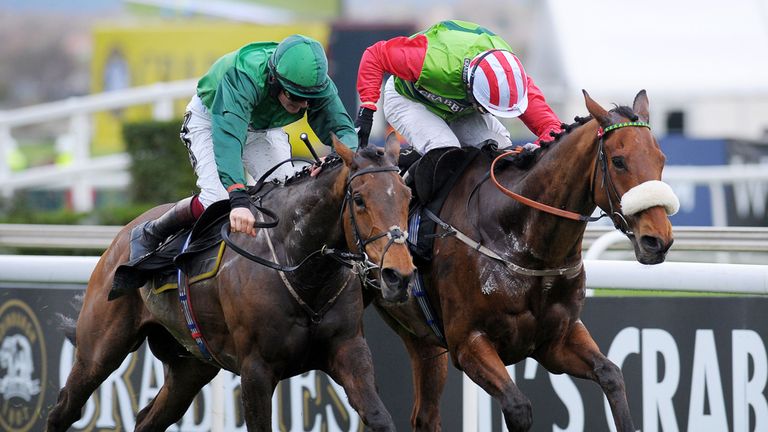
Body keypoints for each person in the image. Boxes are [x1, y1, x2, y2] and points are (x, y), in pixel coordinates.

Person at [129, 34, 357, 259]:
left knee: (290, 200)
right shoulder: (243, 76)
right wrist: (238, 199)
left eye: (310, 99)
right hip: (213, 120)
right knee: (218, 200)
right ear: (274, 81)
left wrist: (337, 157)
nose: (305, 105)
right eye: (296, 98)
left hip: (261, 129)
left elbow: (344, 131)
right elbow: (228, 139)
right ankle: (154, 231)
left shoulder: (316, 84)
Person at [355, 19, 562, 155]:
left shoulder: (515, 81)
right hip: (408, 99)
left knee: (500, 153)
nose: (489, 114)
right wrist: (367, 110)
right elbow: (375, 55)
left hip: (460, 107)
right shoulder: (432, 61)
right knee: (445, 150)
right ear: (471, 86)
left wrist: (535, 150)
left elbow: (554, 130)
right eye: (487, 109)